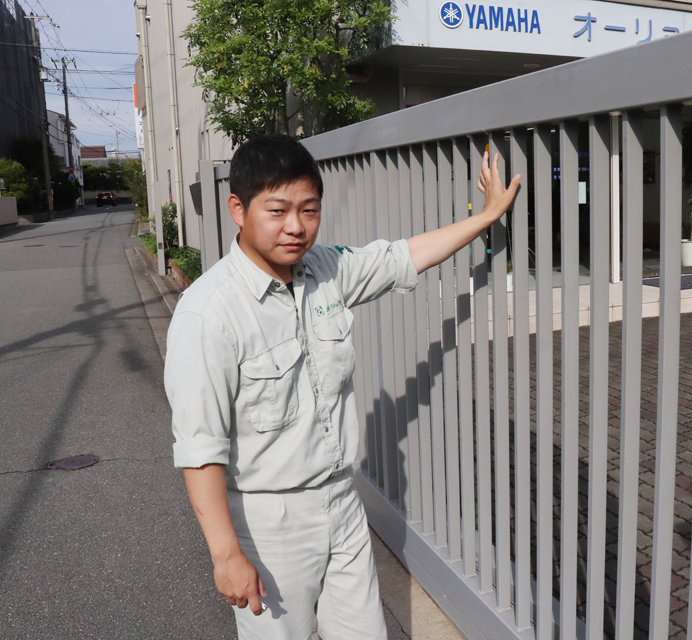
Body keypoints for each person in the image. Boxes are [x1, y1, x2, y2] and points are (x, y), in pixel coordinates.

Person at [164, 134, 520, 640]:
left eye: (309, 210)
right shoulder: (208, 313)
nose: (296, 226)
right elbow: (200, 447)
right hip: (270, 520)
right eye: (278, 210)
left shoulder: (326, 270)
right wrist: (226, 555)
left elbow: (402, 257)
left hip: (342, 502)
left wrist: (486, 216)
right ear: (238, 209)